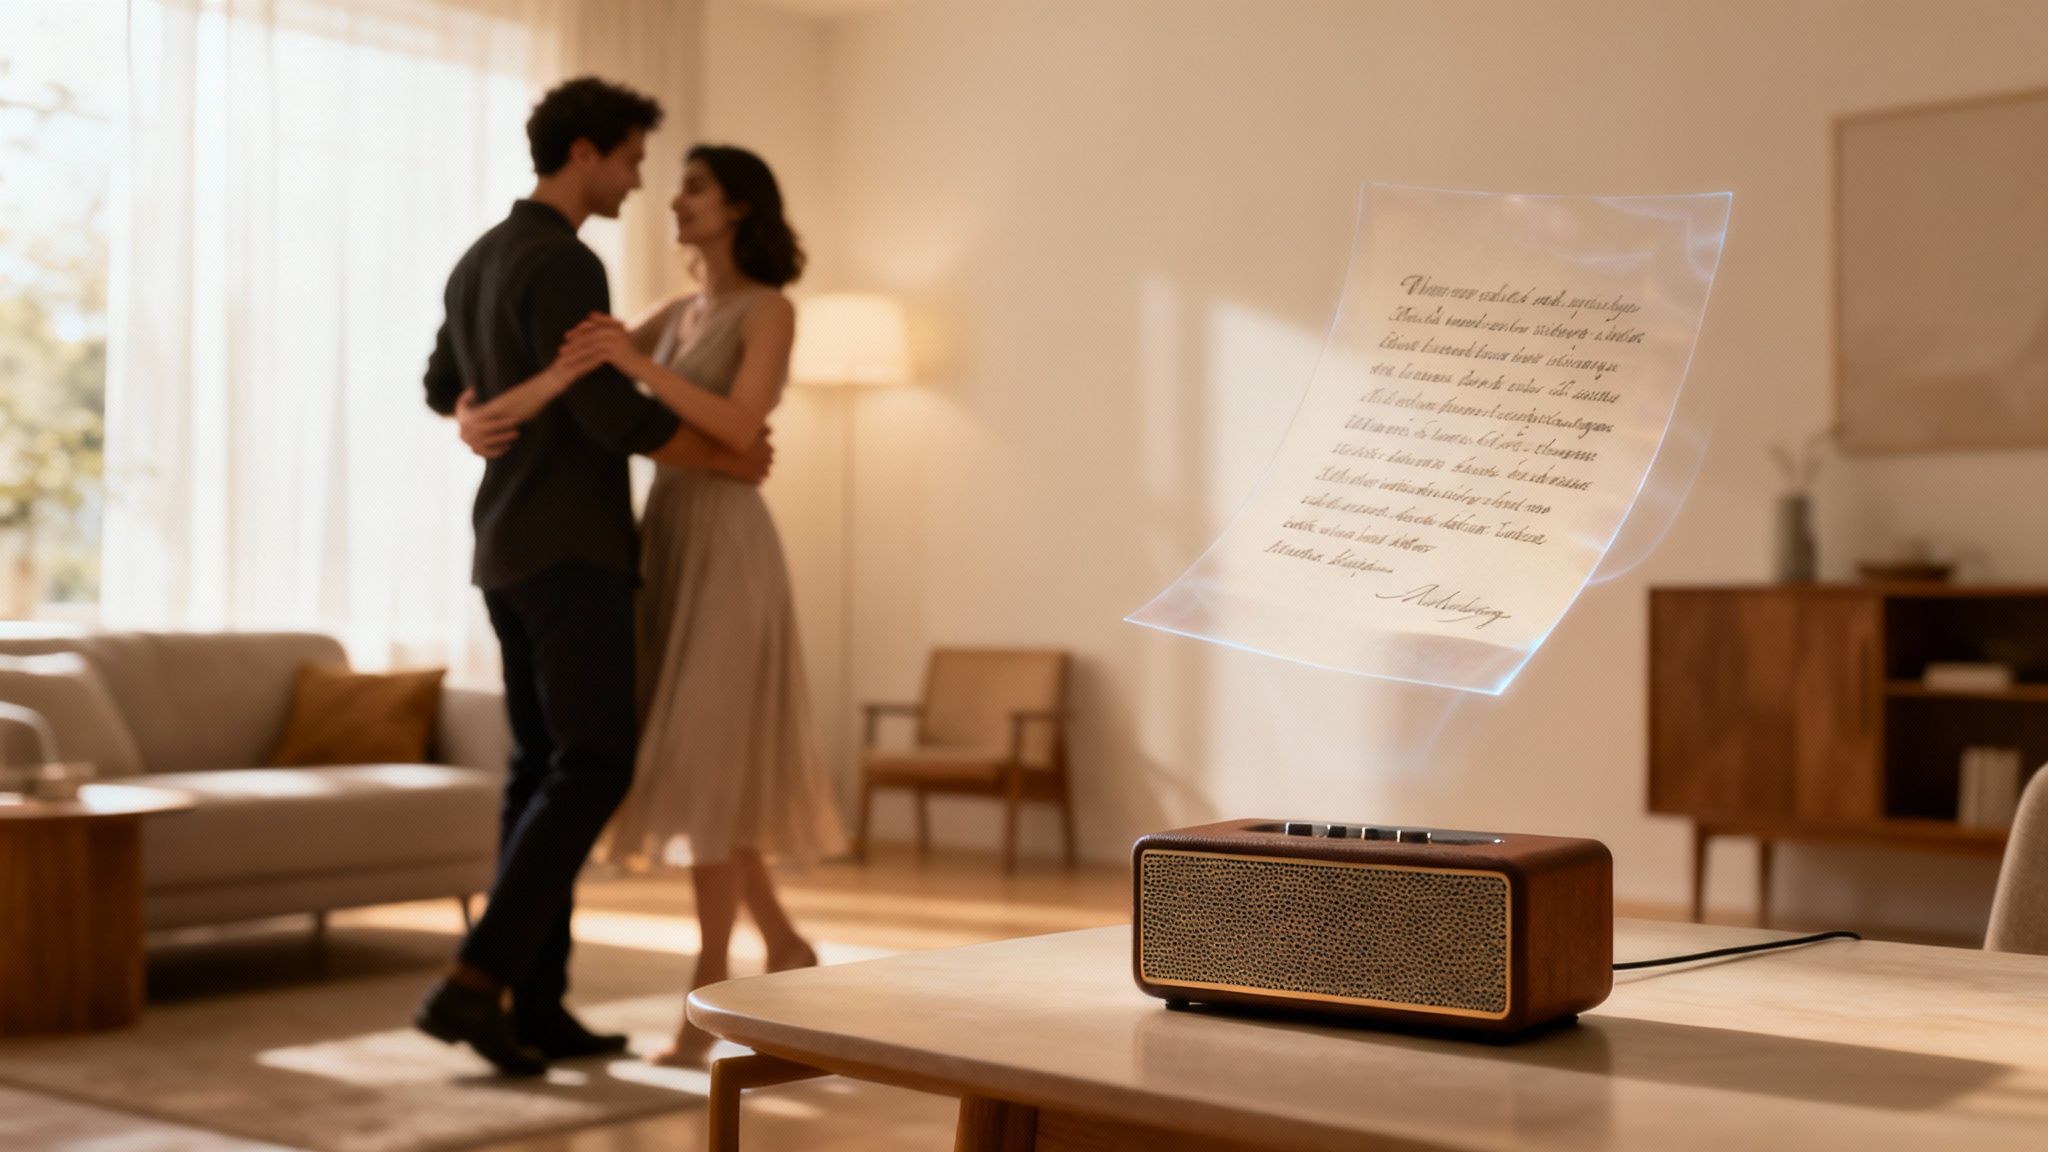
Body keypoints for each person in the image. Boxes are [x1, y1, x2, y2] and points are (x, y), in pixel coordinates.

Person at [458, 143, 845, 1068]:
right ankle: (783, 947)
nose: (674, 200)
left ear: (741, 206)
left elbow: (741, 425)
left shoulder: (768, 310)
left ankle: (705, 995)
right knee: (701, 765)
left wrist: (639, 363)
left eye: (697, 188)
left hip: (730, 549)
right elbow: (573, 381)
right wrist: (474, 417)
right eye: (673, 183)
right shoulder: (674, 312)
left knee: (708, 765)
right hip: (664, 539)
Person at [416, 79, 771, 1077]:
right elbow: (606, 415)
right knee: (591, 766)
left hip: (503, 551)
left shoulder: (478, 258)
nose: (635, 180)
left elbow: (446, 389)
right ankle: (475, 982)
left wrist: (467, 419)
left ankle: (536, 1006)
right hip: (572, 551)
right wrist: (722, 459)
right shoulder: (567, 261)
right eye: (628, 160)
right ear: (584, 152)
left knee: (538, 774)